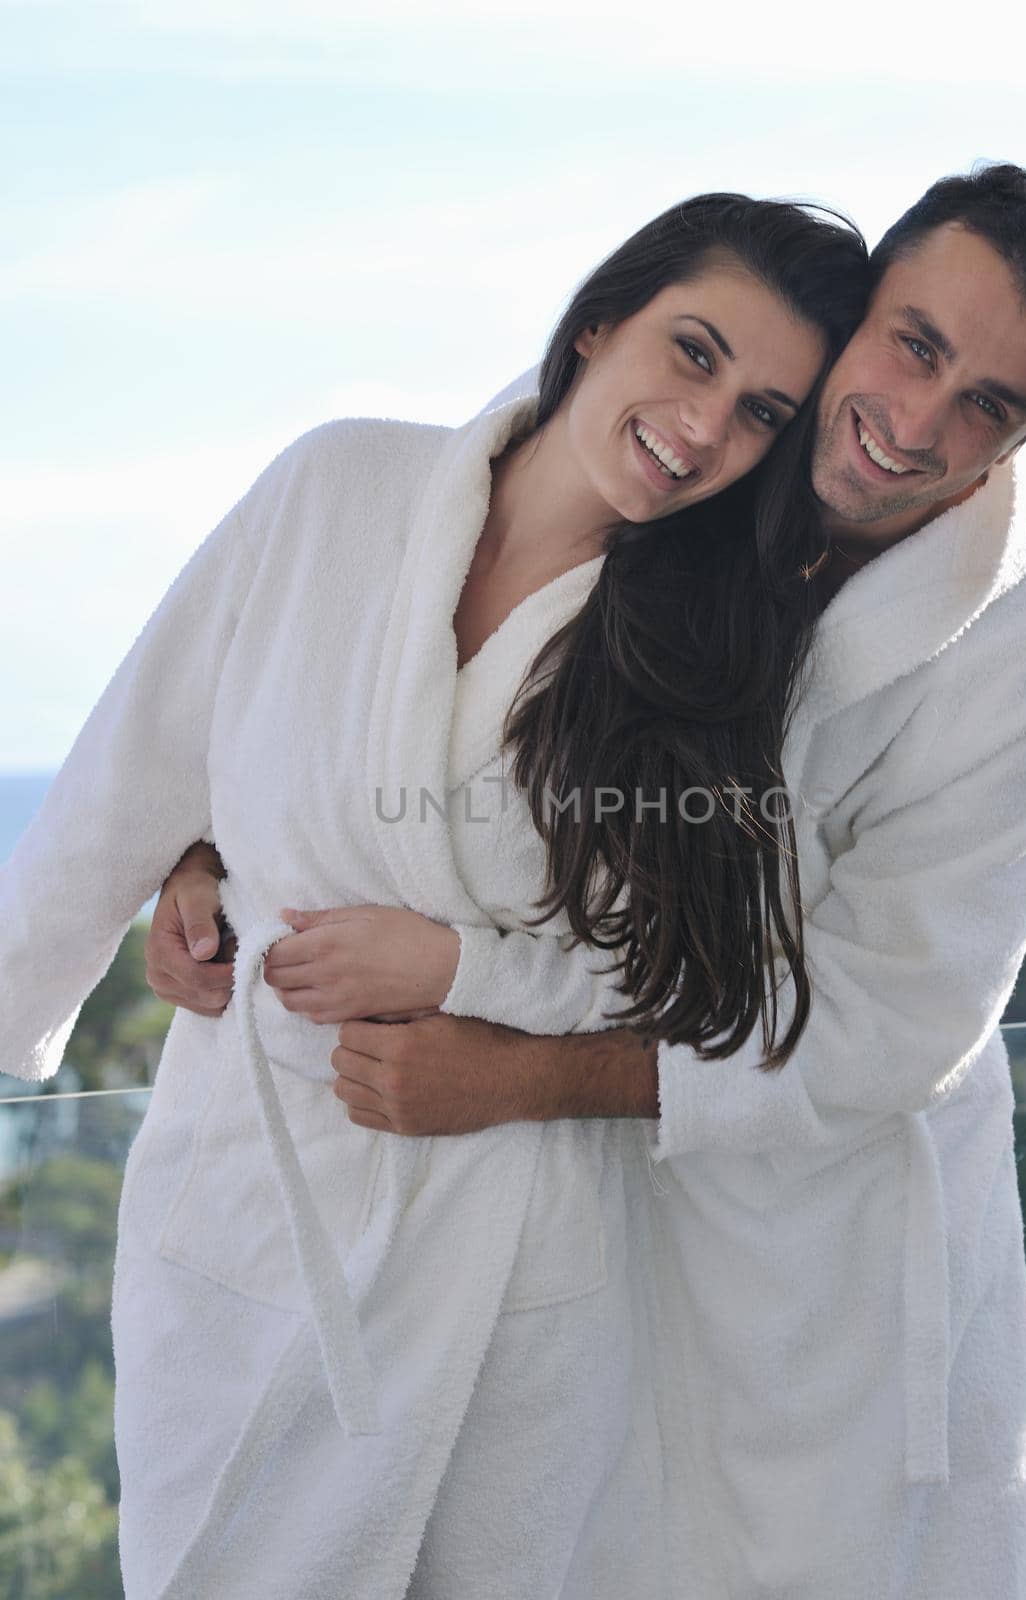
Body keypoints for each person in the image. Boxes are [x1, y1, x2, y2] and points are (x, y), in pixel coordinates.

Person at [158, 160, 1026, 1598]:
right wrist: (216, 840)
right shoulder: (701, 461)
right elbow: (415, 658)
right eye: (915, 344)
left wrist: (522, 1071)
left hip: (823, 1242)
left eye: (992, 404)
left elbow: (891, 1033)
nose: (919, 423)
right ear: (855, 313)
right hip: (583, 1218)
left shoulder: (1019, 668)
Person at [0, 194, 870, 1598]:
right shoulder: (336, 490)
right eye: (693, 352)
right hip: (253, 1206)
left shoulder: (715, 649)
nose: (707, 428)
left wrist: (459, 967)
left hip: (511, 1250)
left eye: (764, 410)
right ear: (600, 321)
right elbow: (136, 760)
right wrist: (184, 868)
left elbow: (710, 975)